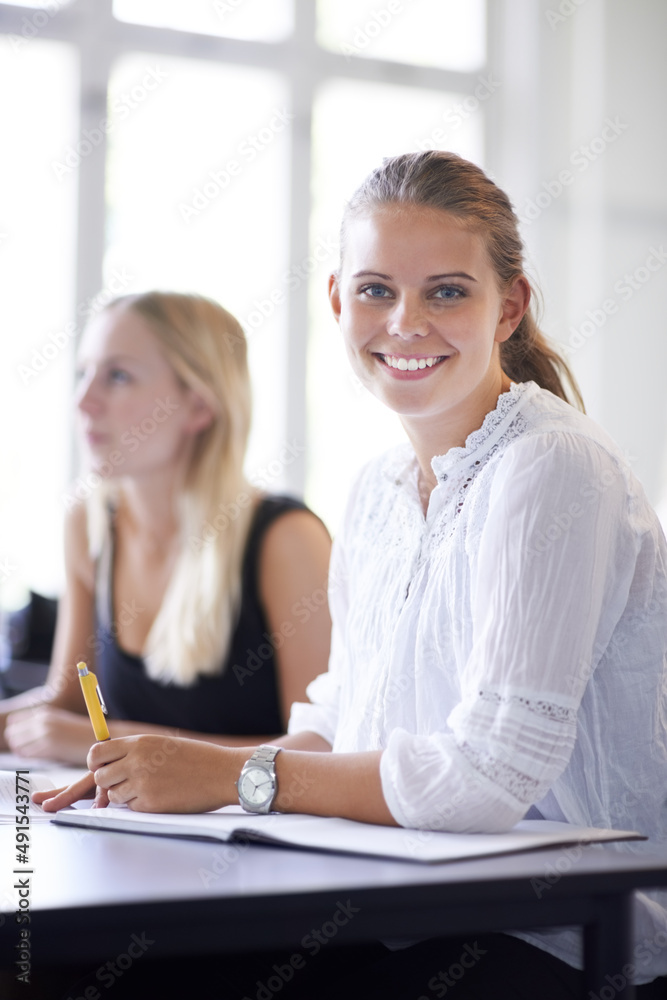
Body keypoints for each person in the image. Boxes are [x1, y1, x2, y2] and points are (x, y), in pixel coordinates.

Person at [37, 154, 667, 998]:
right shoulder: (376, 488)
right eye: (375, 290)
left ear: (508, 306)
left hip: (556, 930)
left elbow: (490, 774)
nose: (404, 323)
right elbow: (343, 717)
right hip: (412, 899)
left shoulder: (550, 463)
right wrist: (168, 770)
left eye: (446, 291)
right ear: (336, 299)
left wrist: (230, 776)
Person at [2, 291, 332, 766]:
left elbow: (323, 747)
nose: (83, 401)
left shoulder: (286, 538)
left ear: (199, 407)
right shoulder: (89, 523)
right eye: (83, 374)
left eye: (118, 376)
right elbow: (68, 704)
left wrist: (111, 742)